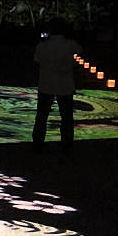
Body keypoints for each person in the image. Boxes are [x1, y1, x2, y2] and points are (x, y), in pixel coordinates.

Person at [33, 19, 82, 153]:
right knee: (66, 116)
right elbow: (80, 51)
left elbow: (37, 61)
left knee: (42, 116)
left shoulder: (42, 46)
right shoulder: (70, 44)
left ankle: (38, 142)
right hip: (65, 85)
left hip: (45, 84)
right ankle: (66, 142)